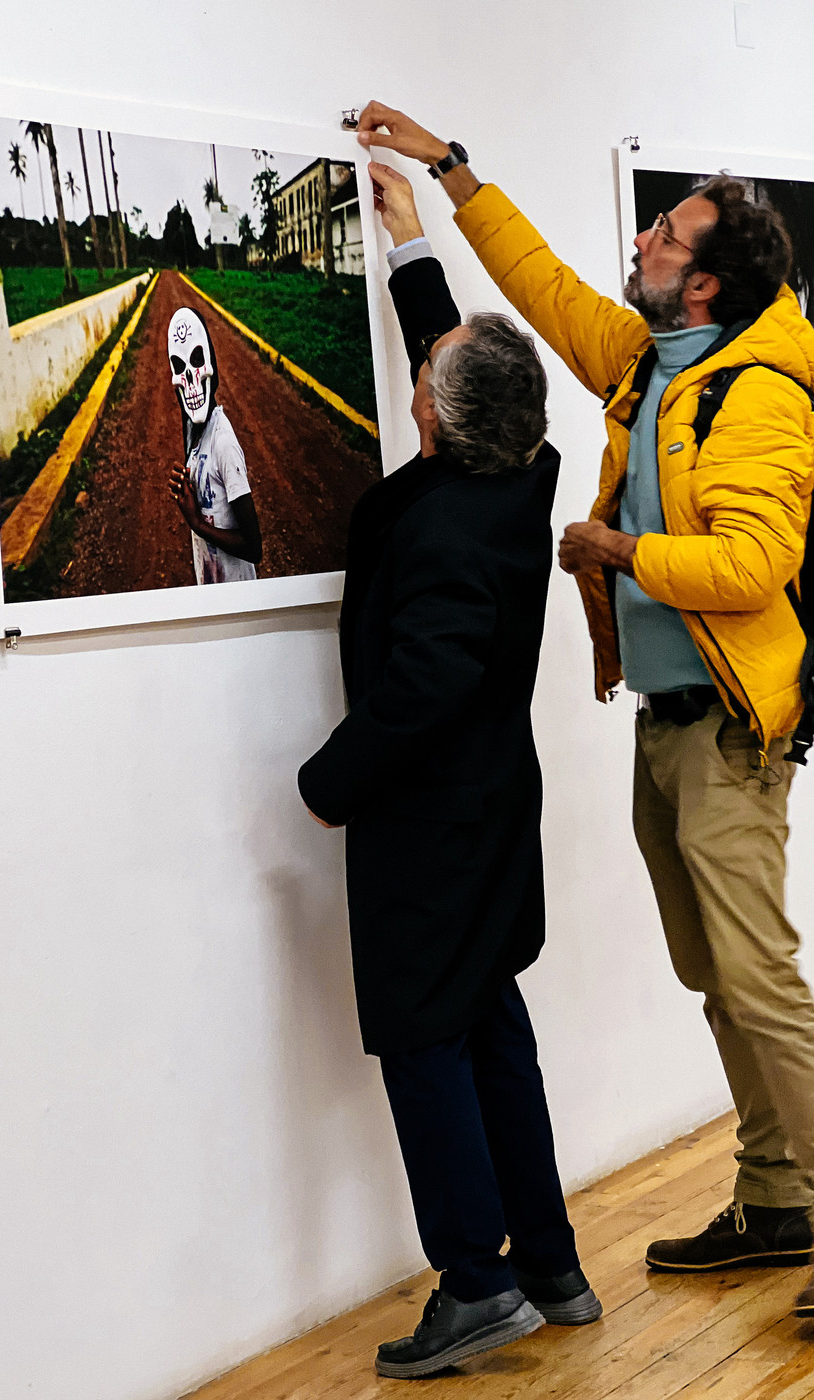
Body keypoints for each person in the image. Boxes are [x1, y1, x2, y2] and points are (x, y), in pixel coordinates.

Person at [353, 102, 814, 1322]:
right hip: (668, 717)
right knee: (716, 970)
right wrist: (448, 174)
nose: (642, 236)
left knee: (762, 977)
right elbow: (539, 287)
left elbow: (753, 564)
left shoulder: (755, 396)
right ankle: (772, 1200)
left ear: (702, 284)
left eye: (664, 231)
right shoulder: (652, 363)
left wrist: (616, 546)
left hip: (735, 732)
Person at [298, 163, 600, 1379]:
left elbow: (421, 688)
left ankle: (475, 1284)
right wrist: (411, 240)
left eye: (427, 376)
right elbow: (466, 365)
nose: (421, 374)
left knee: (425, 1043)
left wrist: (329, 781)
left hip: (425, 824)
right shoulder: (520, 469)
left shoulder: (438, 528)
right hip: (494, 812)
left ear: (433, 416)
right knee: (491, 1025)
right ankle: (552, 1263)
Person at [166, 306, 262, 584]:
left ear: (211, 366)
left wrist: (196, 523)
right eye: (179, 368)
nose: (191, 381)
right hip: (212, 587)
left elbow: (254, 547)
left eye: (197, 361)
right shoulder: (193, 431)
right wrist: (186, 489)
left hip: (237, 598)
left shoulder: (223, 442)